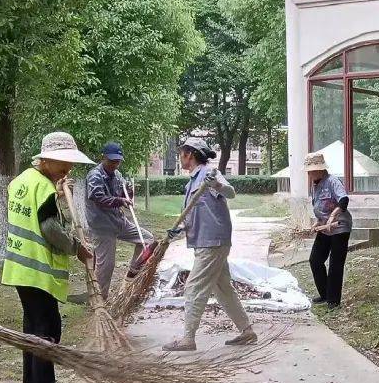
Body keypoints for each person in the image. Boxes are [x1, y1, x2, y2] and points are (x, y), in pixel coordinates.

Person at [1, 131, 95, 383]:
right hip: (38, 270)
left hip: (21, 268)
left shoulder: (21, 181)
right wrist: (76, 248)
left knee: (32, 330)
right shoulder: (44, 188)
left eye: (70, 163)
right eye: (63, 162)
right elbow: (50, 229)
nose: (68, 168)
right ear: (46, 160)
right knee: (46, 331)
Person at [162, 137, 257, 351]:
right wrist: (180, 230)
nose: (180, 157)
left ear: (190, 154)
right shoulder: (192, 182)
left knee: (193, 287)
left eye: (182, 153)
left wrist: (216, 184)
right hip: (206, 240)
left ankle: (188, 339)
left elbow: (230, 192)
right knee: (222, 288)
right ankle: (247, 331)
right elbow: (195, 213)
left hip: (212, 242)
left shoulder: (208, 173)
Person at [85, 141, 156, 300]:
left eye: (117, 162)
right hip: (102, 226)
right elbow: (98, 198)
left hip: (119, 221)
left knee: (148, 240)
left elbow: (123, 195)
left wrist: (128, 193)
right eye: (112, 161)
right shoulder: (95, 175)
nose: (115, 165)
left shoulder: (117, 175)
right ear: (103, 158)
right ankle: (100, 300)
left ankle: (132, 273)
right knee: (107, 266)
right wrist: (120, 200)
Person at [305, 152, 352, 307]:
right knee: (315, 260)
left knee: (335, 264)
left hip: (339, 227)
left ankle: (333, 300)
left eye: (312, 171)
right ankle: (325, 294)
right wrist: (317, 222)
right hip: (325, 228)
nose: (309, 174)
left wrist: (333, 216)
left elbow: (343, 200)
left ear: (320, 169)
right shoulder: (315, 185)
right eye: (308, 171)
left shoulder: (332, 181)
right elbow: (320, 207)